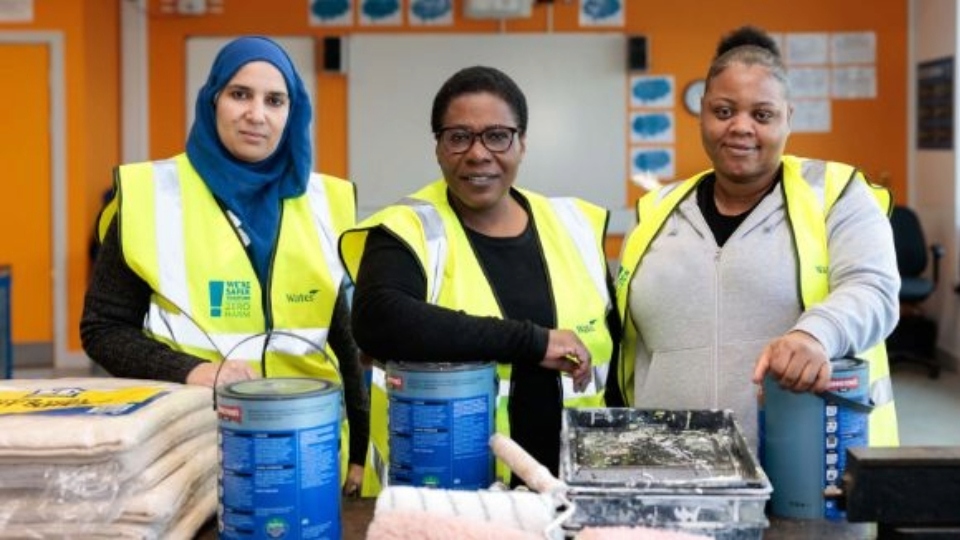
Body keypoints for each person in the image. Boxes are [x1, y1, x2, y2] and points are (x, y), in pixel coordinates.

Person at [80, 36, 368, 495]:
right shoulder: (151, 195)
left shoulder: (324, 202)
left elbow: (342, 337)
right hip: (195, 452)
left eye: (275, 100)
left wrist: (358, 452)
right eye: (240, 94)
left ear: (293, 112)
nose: (257, 114)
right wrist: (200, 372)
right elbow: (103, 329)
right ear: (212, 100)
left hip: (308, 451)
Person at [606, 26, 900, 452]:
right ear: (703, 112)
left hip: (805, 465)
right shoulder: (656, 209)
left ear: (787, 119)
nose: (741, 127)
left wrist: (814, 335)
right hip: (671, 465)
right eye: (724, 111)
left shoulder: (836, 193)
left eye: (762, 115)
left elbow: (874, 290)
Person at [339, 65, 619, 494]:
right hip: (439, 498)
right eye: (458, 136)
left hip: (570, 492)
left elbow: (616, 361)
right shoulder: (406, 228)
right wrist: (533, 341)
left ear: (522, 143)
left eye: (497, 135)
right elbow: (379, 320)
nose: (478, 153)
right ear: (437, 147)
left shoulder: (574, 225)